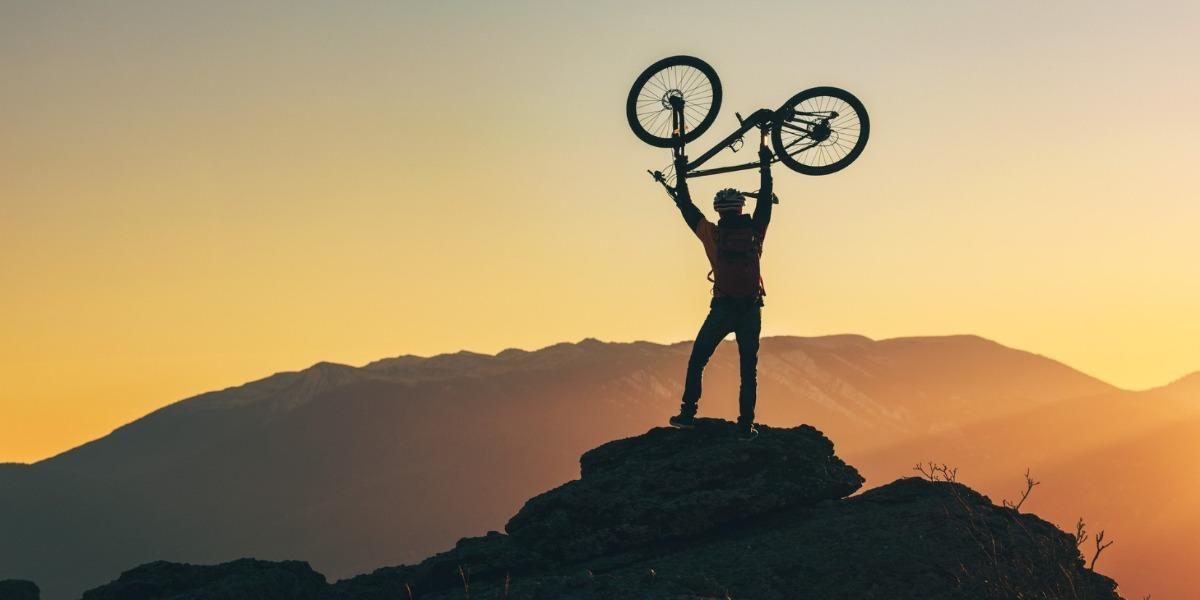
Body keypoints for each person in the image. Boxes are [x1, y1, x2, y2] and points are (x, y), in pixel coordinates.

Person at [667, 142, 774, 441]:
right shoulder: (755, 231)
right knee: (747, 370)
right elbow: (765, 200)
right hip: (751, 309)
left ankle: (688, 414)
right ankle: (745, 425)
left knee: (698, 359)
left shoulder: (712, 234)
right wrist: (765, 164)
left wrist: (679, 176)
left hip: (723, 308)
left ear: (719, 210)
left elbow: (687, 208)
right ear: (741, 208)